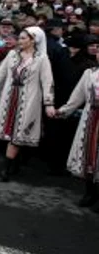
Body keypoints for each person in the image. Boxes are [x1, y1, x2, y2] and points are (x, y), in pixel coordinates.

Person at [0, 27, 55, 182]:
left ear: (33, 40)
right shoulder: (12, 55)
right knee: (9, 132)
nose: (19, 41)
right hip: (9, 98)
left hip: (28, 100)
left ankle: (6, 168)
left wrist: (49, 103)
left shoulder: (41, 58)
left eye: (23, 38)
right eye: (19, 38)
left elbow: (47, 82)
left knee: (18, 133)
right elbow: (1, 73)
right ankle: (14, 162)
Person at [54, 51, 99, 212]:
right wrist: (63, 111)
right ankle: (90, 192)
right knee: (88, 154)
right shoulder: (89, 73)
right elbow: (77, 96)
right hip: (90, 118)